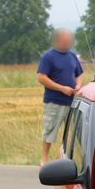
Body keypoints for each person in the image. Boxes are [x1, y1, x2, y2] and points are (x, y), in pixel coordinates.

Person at [37, 28, 84, 166]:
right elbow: (41, 77)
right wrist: (61, 88)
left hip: (72, 102)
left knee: (77, 131)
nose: (68, 42)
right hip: (54, 101)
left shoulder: (72, 56)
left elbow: (79, 73)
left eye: (70, 40)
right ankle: (44, 159)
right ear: (58, 40)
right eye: (65, 40)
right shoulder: (48, 57)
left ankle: (76, 159)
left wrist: (78, 85)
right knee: (50, 129)